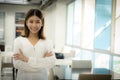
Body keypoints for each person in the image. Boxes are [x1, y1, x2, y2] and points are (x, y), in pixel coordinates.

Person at [13, 9, 56, 80]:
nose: (34, 25)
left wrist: (26, 59)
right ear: (26, 22)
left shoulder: (48, 42)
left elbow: (51, 63)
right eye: (31, 21)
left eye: (37, 22)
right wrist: (42, 61)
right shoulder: (18, 41)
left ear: (42, 23)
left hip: (42, 77)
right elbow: (17, 64)